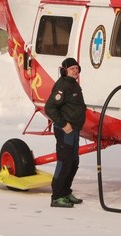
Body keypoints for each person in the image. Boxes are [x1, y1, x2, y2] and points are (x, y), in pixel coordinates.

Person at [44, 57, 87, 208]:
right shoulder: (62, 86)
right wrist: (63, 124)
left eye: (77, 68)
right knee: (64, 162)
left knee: (74, 162)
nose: (75, 71)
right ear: (64, 71)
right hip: (65, 131)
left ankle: (66, 192)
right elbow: (49, 108)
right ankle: (56, 197)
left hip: (74, 130)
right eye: (72, 69)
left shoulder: (73, 84)